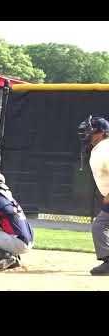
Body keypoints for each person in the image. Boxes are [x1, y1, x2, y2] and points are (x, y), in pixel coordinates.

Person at [78, 115, 109, 276]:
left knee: (99, 226)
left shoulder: (104, 149)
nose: (88, 133)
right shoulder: (101, 147)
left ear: (102, 133)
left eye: (91, 130)